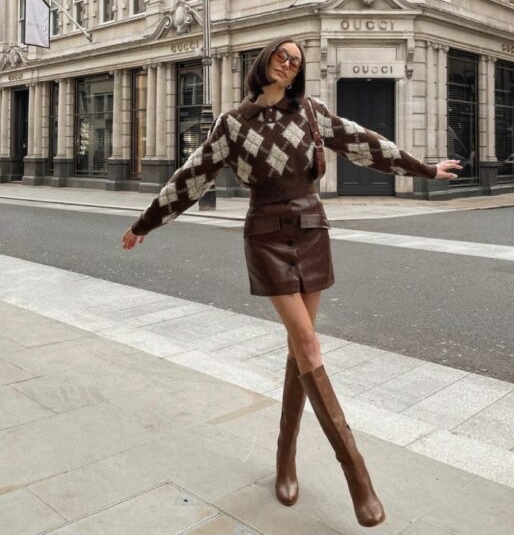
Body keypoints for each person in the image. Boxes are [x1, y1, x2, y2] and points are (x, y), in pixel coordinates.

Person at [122, 37, 461, 528]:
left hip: (312, 229)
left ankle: (285, 455)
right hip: (266, 237)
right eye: (283, 55)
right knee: (305, 339)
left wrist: (425, 168)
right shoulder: (233, 124)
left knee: (301, 351)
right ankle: (358, 478)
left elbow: (367, 143)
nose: (289, 63)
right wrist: (145, 224)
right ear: (264, 62)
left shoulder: (312, 113)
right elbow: (190, 177)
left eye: (297, 61)